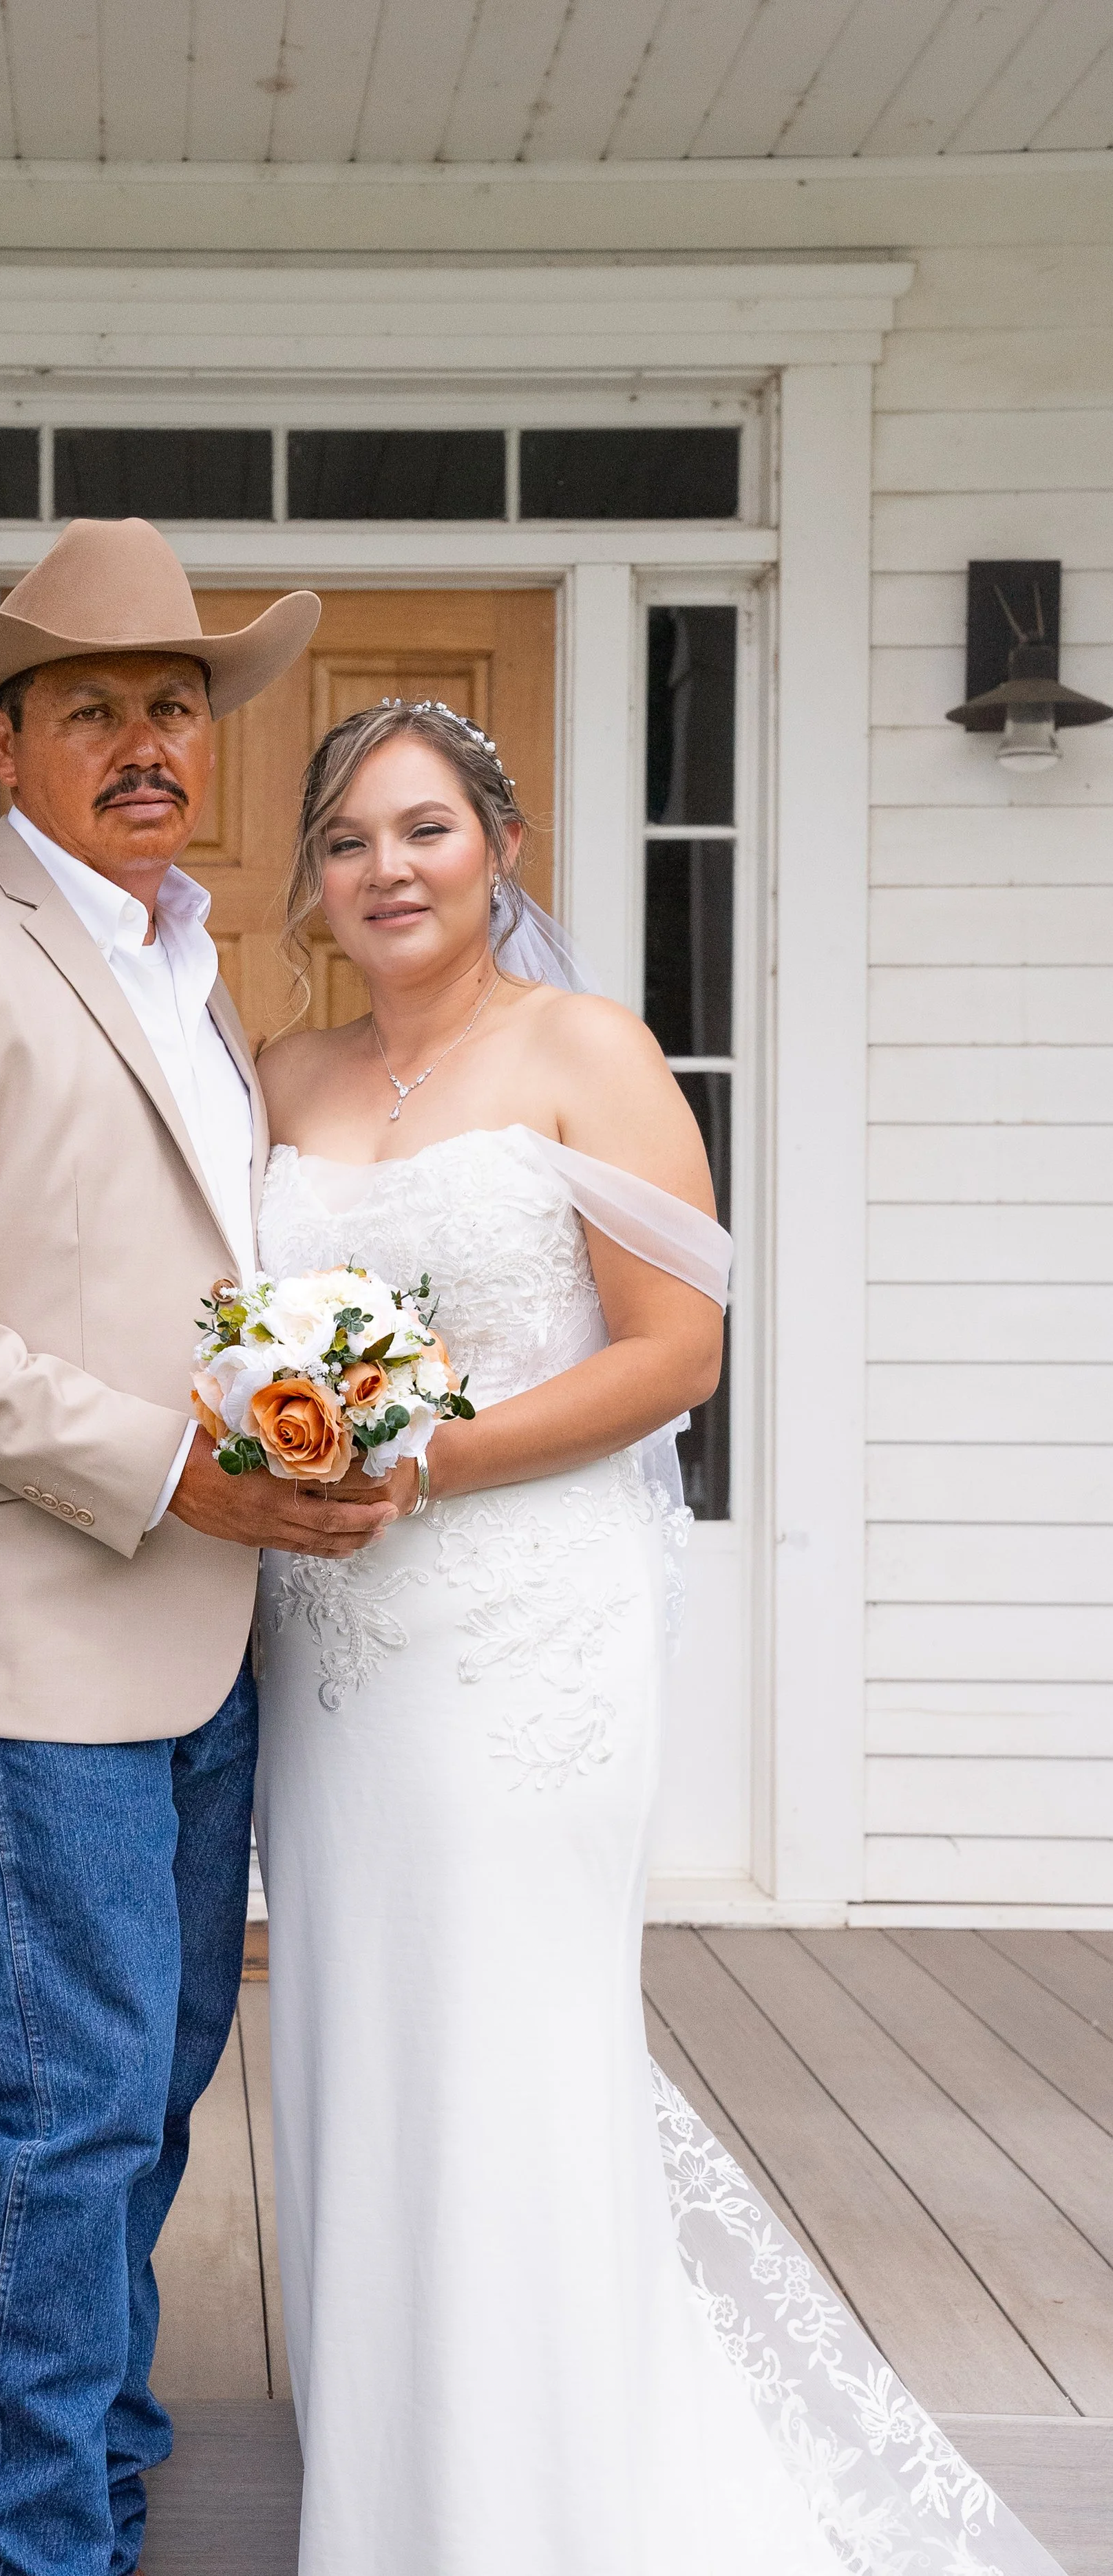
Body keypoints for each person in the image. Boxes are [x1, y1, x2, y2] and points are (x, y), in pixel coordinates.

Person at [251, 698, 1068, 2575]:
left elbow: (675, 1352)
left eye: (425, 829)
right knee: (365, 2039)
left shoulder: (588, 1050)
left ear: (499, 846)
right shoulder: (280, 1075)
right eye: (349, 840)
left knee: (509, 2039)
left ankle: (545, 2510)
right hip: (334, 1641)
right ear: (311, 880)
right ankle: (397, 2496)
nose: (387, 868)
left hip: (526, 1625)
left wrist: (422, 1461)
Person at [0, 518, 395, 2576]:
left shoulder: (195, 974)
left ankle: (89, 2467)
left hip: (211, 1618)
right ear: (6, 739)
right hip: (40, 1618)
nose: (149, 743)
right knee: (74, 2096)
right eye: (98, 708)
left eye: (176, 707)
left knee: (155, 2074)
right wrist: (162, 1465)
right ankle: (7, 2542)